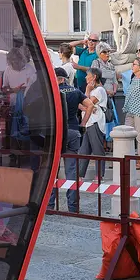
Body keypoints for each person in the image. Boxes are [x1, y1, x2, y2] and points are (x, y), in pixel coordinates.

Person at [47, 67, 92, 213]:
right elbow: (90, 105)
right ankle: (73, 207)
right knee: (72, 170)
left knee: (52, 170)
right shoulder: (75, 91)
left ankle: (50, 205)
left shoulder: (51, 91)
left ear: (58, 78)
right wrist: (83, 123)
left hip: (56, 132)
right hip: (73, 130)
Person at [77, 68, 108, 182]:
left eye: (88, 75)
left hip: (95, 122)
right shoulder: (93, 91)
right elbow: (80, 104)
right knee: (84, 150)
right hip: (88, 122)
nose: (86, 77)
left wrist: (87, 91)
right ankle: (80, 175)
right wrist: (87, 107)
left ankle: (99, 175)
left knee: (97, 149)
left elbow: (86, 103)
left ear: (94, 77)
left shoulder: (99, 90)